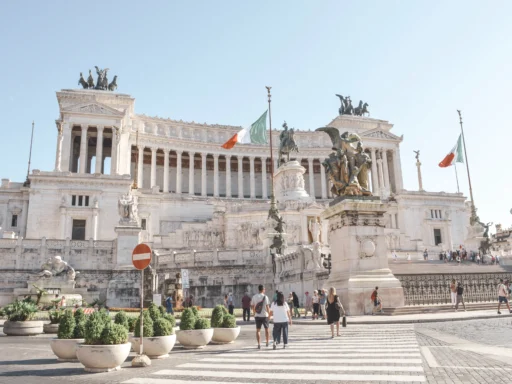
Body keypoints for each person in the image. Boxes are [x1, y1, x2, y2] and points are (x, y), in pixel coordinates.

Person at [251, 285, 271, 349]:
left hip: (257, 315)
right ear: (263, 290)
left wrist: (254, 313)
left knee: (258, 330)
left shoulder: (254, 297)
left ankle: (259, 344)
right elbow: (268, 307)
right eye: (264, 289)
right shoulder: (265, 297)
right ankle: (267, 342)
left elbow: (253, 306)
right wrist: (269, 315)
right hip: (265, 315)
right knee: (267, 329)